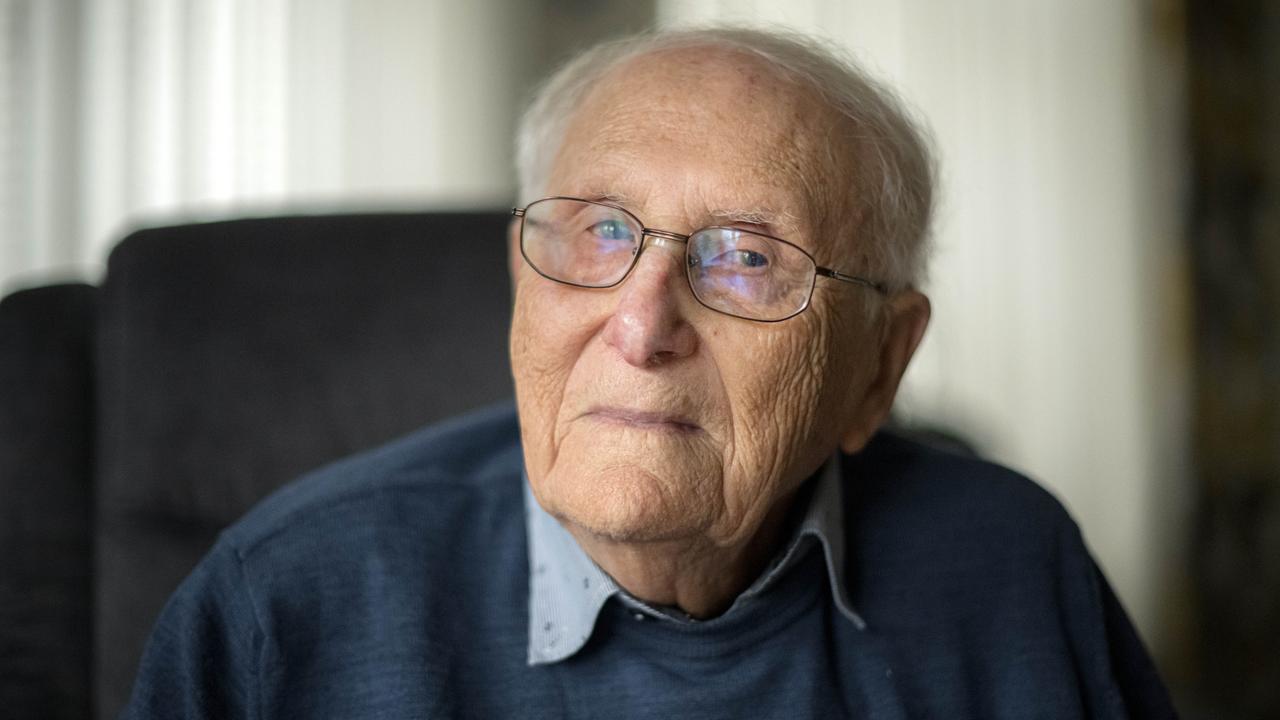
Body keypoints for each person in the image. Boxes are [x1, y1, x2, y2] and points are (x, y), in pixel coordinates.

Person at [122, 27, 1176, 718]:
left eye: (747, 257)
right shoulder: (283, 601)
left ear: (878, 368)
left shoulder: (1012, 568)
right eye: (601, 232)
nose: (640, 323)